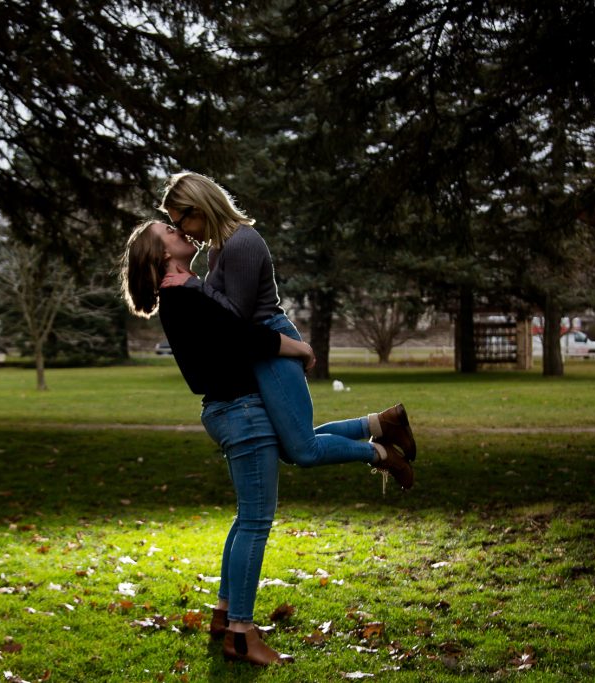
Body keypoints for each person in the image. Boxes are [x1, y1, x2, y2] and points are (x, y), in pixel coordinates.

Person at [120, 220, 409, 666]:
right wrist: (295, 347)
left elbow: (224, 328)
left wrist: (198, 284)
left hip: (229, 410)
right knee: (256, 523)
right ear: (162, 255)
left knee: (247, 518)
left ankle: (223, 614)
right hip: (240, 412)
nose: (181, 231)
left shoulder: (183, 291)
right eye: (170, 232)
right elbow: (240, 336)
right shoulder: (182, 296)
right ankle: (241, 631)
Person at [157, 172, 417, 486]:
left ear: (198, 209)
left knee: (303, 450)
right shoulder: (220, 249)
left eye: (180, 221)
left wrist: (195, 286)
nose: (183, 230)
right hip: (260, 345)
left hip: (271, 341)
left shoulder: (242, 243)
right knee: (292, 445)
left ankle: (381, 454)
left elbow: (236, 316)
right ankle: (382, 423)